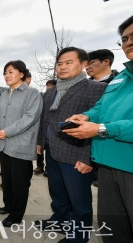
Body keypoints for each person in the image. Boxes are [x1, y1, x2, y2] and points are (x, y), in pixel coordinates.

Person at [64, 15, 133, 243]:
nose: (128, 42)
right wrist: (87, 116)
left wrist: (101, 129)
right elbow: (101, 107)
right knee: (112, 229)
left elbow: (107, 124)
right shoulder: (121, 79)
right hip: (108, 164)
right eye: (124, 39)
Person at [35, 47, 107, 243]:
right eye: (60, 63)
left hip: (76, 154)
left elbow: (96, 126)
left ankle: (78, 236)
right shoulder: (51, 91)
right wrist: (41, 143)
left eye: (69, 62)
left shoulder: (96, 89)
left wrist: (88, 159)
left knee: (80, 200)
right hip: (53, 150)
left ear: (84, 64)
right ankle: (59, 220)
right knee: (57, 192)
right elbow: (45, 120)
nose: (63, 67)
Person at [0, 60, 42, 227]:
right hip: (3, 144)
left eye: (11, 72)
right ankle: (8, 206)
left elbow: (29, 118)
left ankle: (16, 215)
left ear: (22, 73)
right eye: (5, 73)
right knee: (7, 179)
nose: (7, 75)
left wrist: (6, 132)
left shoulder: (32, 94)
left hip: (20, 145)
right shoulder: (4, 94)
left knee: (19, 182)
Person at [86, 49, 119, 187]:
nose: (87, 67)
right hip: (86, 144)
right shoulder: (84, 86)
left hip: (114, 144)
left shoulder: (119, 84)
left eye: (91, 63)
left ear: (106, 62)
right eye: (86, 64)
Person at [34, 79, 57, 176]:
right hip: (41, 125)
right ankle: (40, 166)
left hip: (50, 129)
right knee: (39, 148)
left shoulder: (57, 97)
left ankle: (48, 168)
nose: (49, 87)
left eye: (51, 85)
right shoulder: (44, 96)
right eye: (47, 85)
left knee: (49, 150)